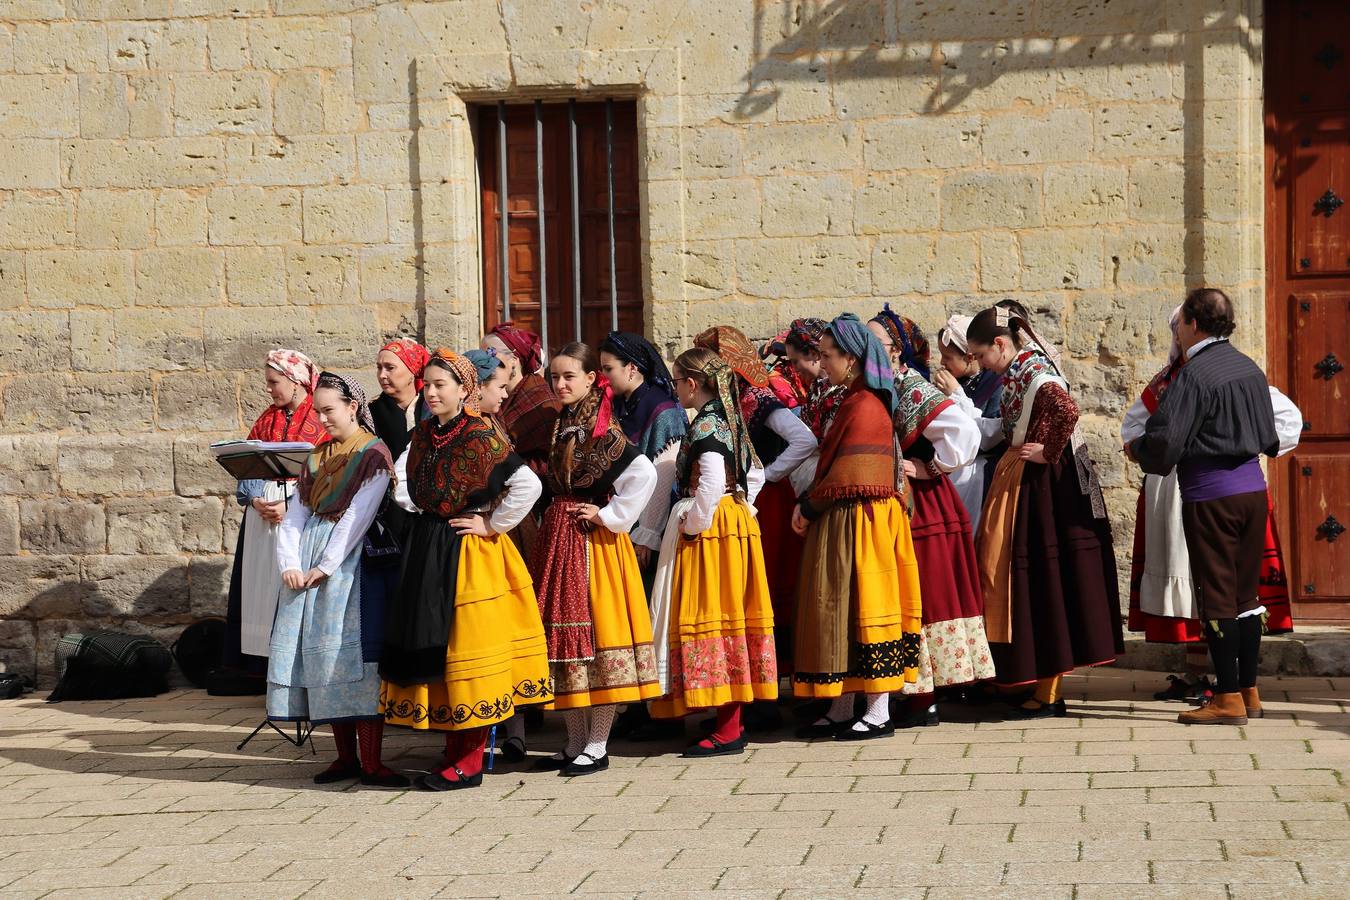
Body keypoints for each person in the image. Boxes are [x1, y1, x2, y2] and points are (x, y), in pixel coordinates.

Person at [379, 350, 552, 790]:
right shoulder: (424, 434)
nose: (432, 392)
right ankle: (454, 750)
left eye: (442, 385)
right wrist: (420, 507)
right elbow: (403, 481)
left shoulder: (480, 434)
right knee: (440, 649)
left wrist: (492, 522)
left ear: (463, 389)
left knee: (466, 652)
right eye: (429, 385)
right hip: (429, 547)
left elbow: (527, 484)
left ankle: (471, 760)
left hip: (470, 552)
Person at [1122, 306, 1301, 704]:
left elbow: (1167, 442)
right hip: (1251, 492)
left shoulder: (1193, 375)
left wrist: (1139, 451)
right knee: (1245, 598)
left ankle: (1226, 697)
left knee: (1217, 597)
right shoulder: (1247, 367)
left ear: (1193, 325)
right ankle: (1249, 691)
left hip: (1210, 496)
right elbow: (1278, 432)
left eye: (1180, 325)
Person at [967, 306, 1122, 718]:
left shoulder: (1035, 373)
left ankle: (1049, 690)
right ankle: (1037, 683)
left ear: (1000, 345)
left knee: (1044, 582)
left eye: (981, 355)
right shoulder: (1022, 368)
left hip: (1045, 490)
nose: (980, 364)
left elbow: (1066, 410)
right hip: (1030, 483)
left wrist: (1047, 451)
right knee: (1035, 584)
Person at [791, 314, 925, 740]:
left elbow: (854, 474)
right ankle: (844, 704)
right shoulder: (855, 398)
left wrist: (809, 504)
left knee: (868, 607)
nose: (823, 362)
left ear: (851, 358)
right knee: (843, 611)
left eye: (828, 355)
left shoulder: (865, 405)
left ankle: (879, 710)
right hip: (848, 518)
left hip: (863, 520)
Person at [532, 343, 661, 776]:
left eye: (569, 376)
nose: (560, 384)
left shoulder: (603, 428)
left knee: (599, 638)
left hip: (594, 544)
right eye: (555, 377)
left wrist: (609, 516)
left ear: (591, 379)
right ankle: (573, 742)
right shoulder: (565, 422)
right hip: (561, 538)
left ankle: (597, 743)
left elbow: (642, 473)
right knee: (564, 645)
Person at [270, 373, 404, 787]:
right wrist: (288, 562)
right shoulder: (318, 455)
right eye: (318, 411)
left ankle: (373, 761)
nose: (323, 419)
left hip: (354, 566)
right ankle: (344, 757)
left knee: (356, 661)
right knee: (320, 657)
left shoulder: (372, 454)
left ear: (351, 407)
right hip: (311, 558)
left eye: (330, 410)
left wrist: (324, 566)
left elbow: (356, 517)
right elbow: (296, 513)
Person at [869, 307, 994, 728]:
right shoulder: (881, 387)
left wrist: (932, 467)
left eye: (878, 345)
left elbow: (964, 433)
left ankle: (923, 698)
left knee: (923, 593)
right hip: (898, 504)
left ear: (897, 352)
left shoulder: (911, 389)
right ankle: (909, 694)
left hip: (922, 505)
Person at [649, 347, 776, 757]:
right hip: (732, 522)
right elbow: (754, 473)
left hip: (713, 531)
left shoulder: (706, 426)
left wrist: (694, 524)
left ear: (691, 384)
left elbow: (711, 481)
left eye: (677, 380)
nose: (674, 388)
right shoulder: (728, 420)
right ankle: (727, 715)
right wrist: (741, 508)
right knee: (730, 618)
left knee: (715, 618)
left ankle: (729, 727)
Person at [694, 326, 816, 694]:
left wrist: (767, 474)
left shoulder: (758, 397)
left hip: (768, 501)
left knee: (767, 586)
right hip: (751, 499)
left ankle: (777, 683)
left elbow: (803, 439)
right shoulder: (731, 399)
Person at [222, 349, 328, 689]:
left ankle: (299, 671)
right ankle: (268, 673)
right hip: (262, 522)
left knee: (290, 588)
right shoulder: (267, 419)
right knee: (260, 593)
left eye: (274, 382)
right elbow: (248, 463)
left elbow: (325, 468)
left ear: (295, 380)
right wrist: (254, 499)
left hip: (301, 517)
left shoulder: (320, 416)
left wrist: (291, 504)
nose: (269, 389)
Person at [598, 331, 689, 569]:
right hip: (618, 515)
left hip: (648, 522)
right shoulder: (618, 404)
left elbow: (663, 475)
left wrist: (647, 536)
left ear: (632, 368)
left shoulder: (663, 410)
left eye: (609, 369)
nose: (603, 377)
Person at [481, 323, 562, 562]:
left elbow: (550, 461)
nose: (486, 363)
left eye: (490, 354)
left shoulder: (539, 398)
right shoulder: (491, 397)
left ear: (514, 360)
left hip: (529, 502)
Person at [932, 314, 1005, 531]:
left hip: (980, 480)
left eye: (947, 357)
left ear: (970, 357)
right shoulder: (954, 382)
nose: (942, 363)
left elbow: (988, 437)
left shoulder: (996, 383)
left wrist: (956, 394)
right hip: (949, 474)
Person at [785, 317, 847, 443]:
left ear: (813, 354)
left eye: (795, 361)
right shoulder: (816, 389)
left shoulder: (845, 389)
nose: (794, 369)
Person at [370, 338, 431, 462]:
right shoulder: (371, 412)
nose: (382, 375)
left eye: (390, 368)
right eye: (379, 368)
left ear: (412, 372)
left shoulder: (431, 409)